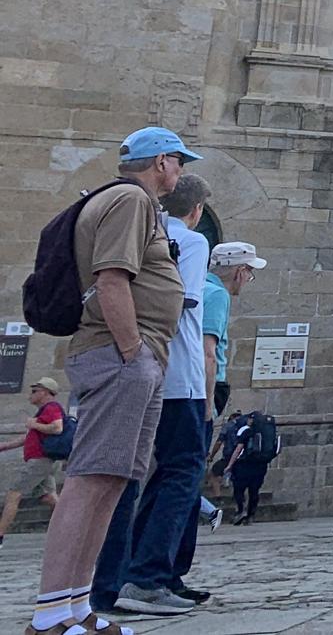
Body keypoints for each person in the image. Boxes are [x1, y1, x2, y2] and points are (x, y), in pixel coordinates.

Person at [26, 127, 193, 635]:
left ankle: (76, 608)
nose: (181, 172)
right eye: (179, 161)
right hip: (120, 356)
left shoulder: (130, 201)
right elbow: (112, 277)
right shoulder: (129, 199)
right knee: (90, 481)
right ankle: (52, 612)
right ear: (161, 161)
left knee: (111, 481)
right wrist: (133, 352)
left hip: (131, 358)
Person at [91, 167, 213, 618]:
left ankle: (115, 579)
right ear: (197, 211)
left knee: (131, 477)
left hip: (134, 366)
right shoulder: (192, 241)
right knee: (182, 472)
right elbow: (183, 304)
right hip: (178, 374)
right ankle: (147, 576)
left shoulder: (143, 229)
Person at [0, 379, 68, 546]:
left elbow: (57, 427)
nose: (31, 395)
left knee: (13, 493)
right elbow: (31, 437)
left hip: (40, 461)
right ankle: (71, 530)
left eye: (34, 391)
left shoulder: (52, 408)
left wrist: (34, 424)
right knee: (49, 498)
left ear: (44, 392)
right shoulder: (43, 412)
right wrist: (6, 446)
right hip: (43, 461)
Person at [202, 243, 262, 424]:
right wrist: (208, 406)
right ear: (239, 272)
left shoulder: (198, 285)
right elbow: (208, 353)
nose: (248, 279)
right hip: (203, 389)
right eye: (249, 274)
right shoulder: (217, 295)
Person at [218, 411, 279, 522]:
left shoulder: (247, 432)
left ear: (252, 420)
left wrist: (230, 465)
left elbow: (238, 449)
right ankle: (250, 515)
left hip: (245, 465)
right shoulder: (268, 433)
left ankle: (241, 511)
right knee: (254, 491)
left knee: (239, 489)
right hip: (261, 466)